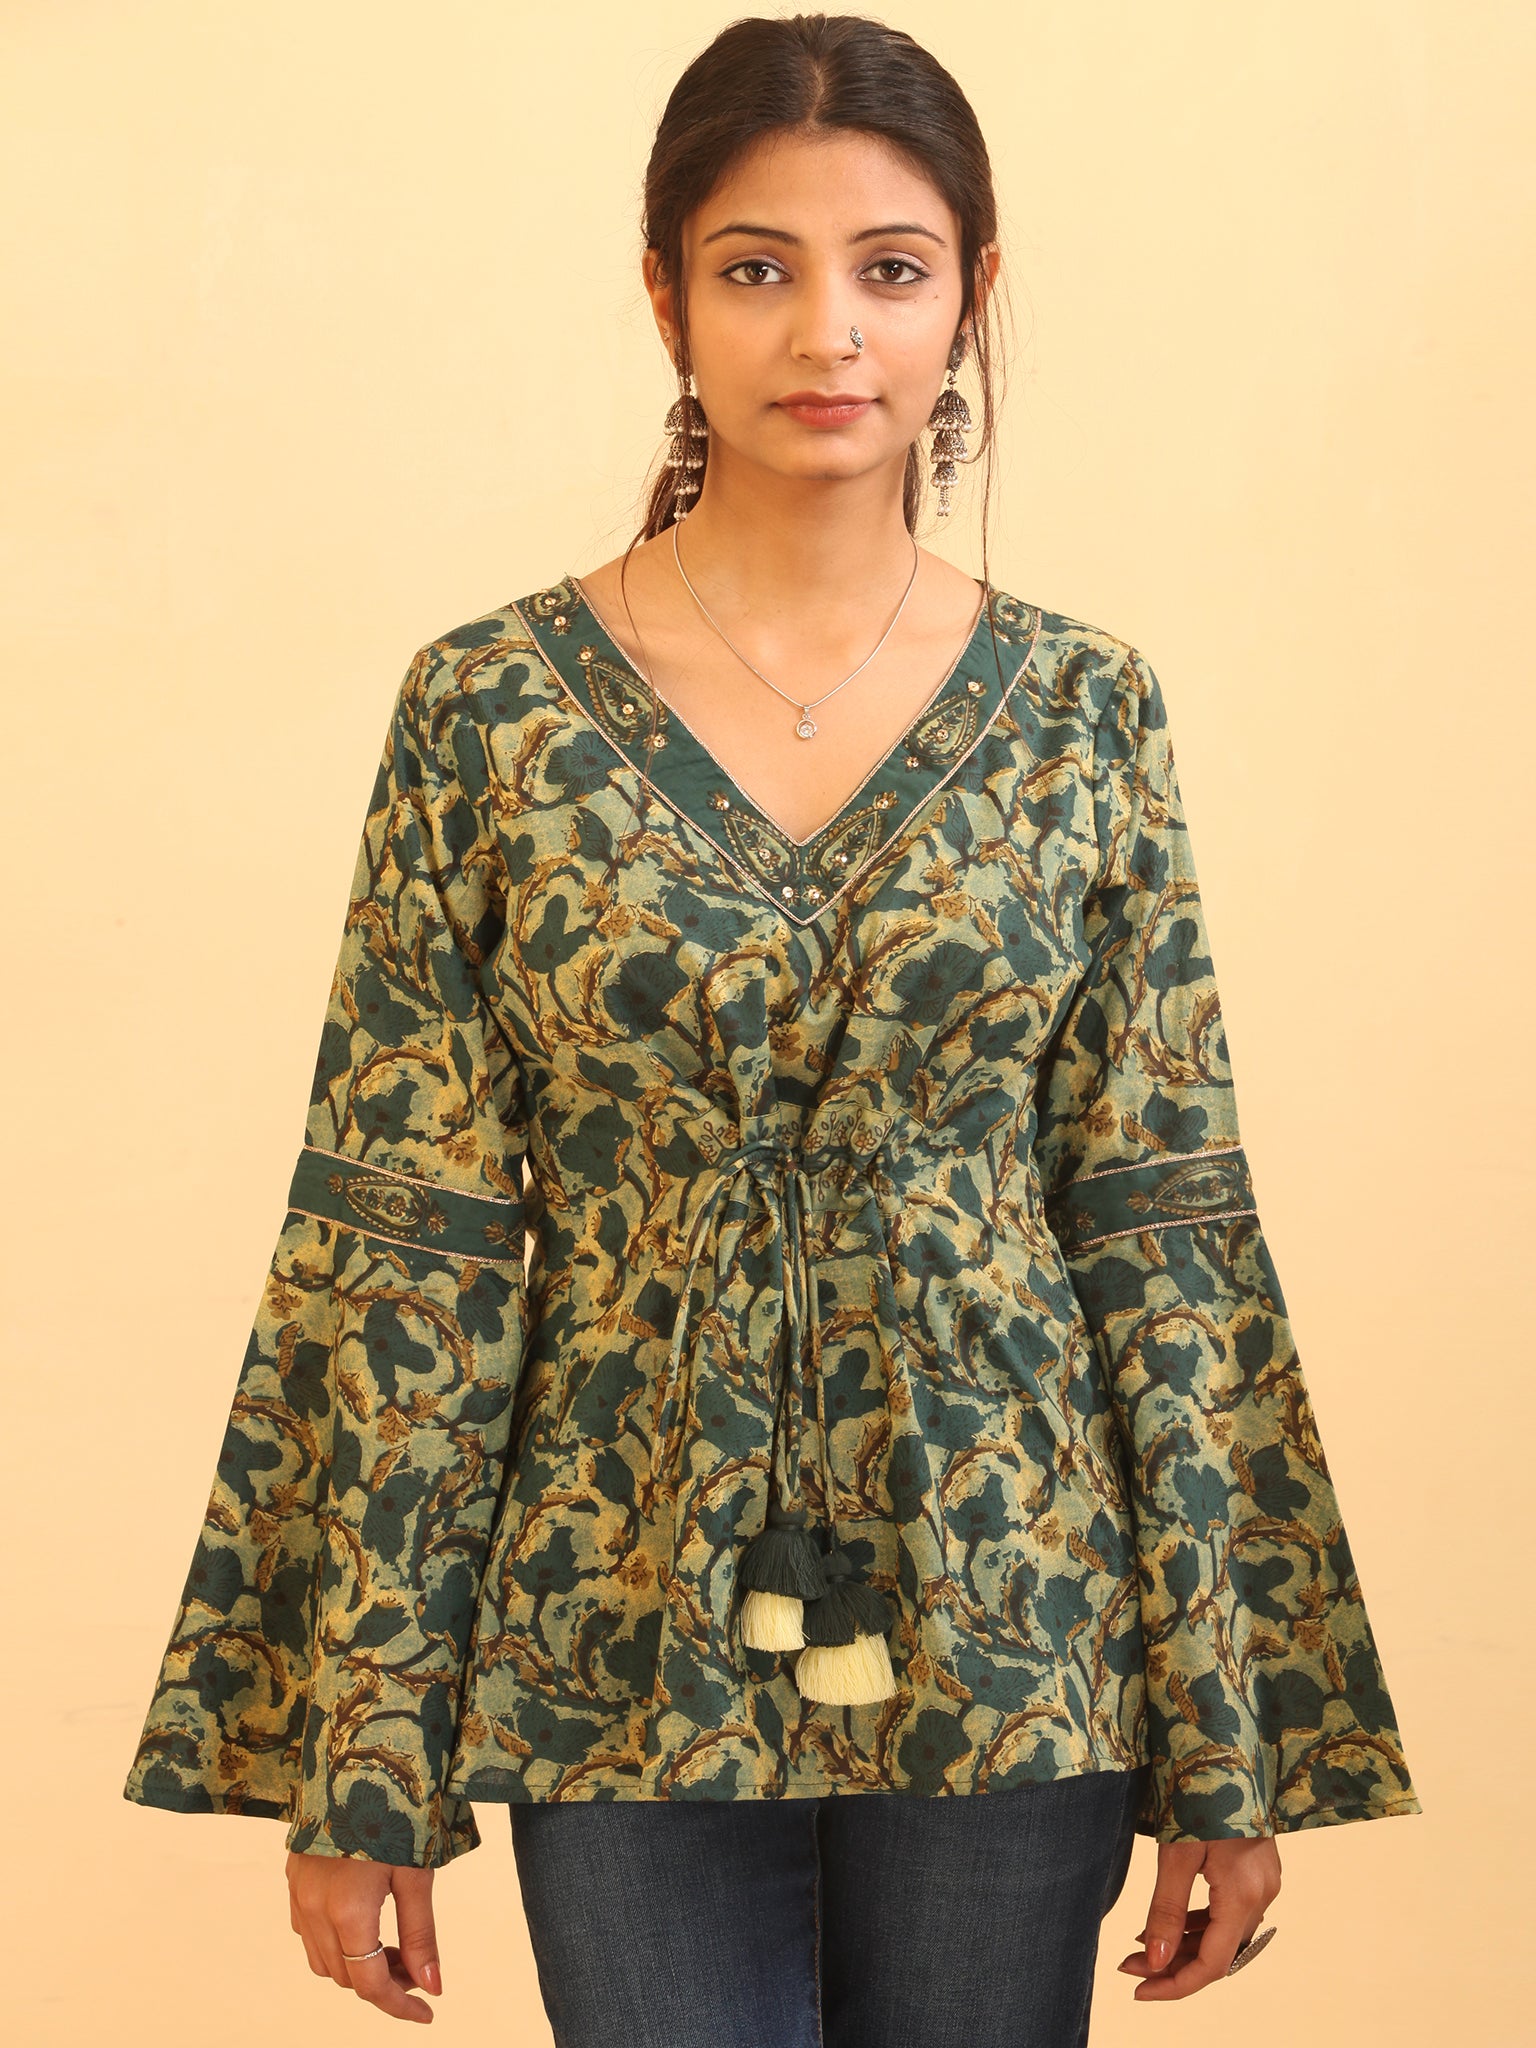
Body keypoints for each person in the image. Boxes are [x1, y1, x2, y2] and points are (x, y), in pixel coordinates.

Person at [122, 12, 1422, 2042]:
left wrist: (1231, 1738)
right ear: (665, 295)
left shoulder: (1086, 711)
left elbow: (1161, 1215)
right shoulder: (488, 713)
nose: (829, 332)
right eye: (757, 267)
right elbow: (404, 1242)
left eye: (891, 268)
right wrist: (359, 1759)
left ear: (971, 294)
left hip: (1020, 1612)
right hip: (612, 1615)